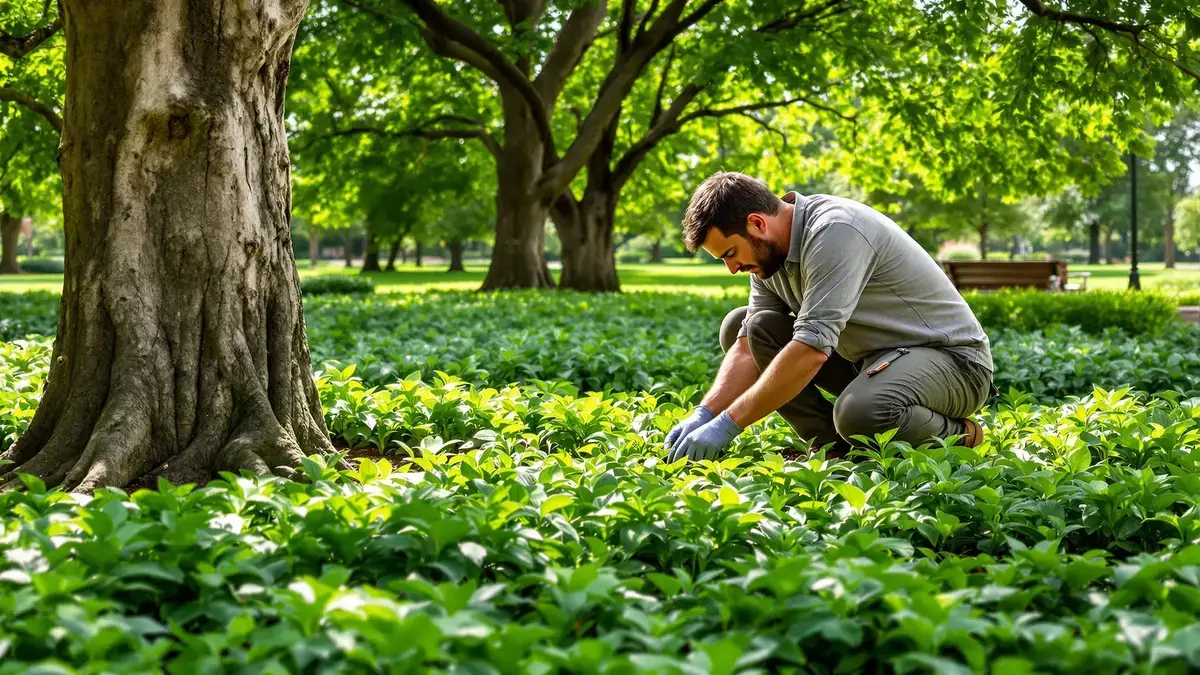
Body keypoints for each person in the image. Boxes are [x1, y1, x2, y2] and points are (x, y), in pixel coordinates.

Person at [664, 172, 995, 463]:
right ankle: (830, 448)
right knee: (745, 325)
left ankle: (961, 434)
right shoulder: (766, 257)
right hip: (870, 361)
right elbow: (750, 345)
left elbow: (811, 349)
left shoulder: (835, 231)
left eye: (731, 253)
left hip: (953, 364)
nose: (732, 268)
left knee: (859, 413)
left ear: (757, 223)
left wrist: (729, 425)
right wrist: (705, 413)